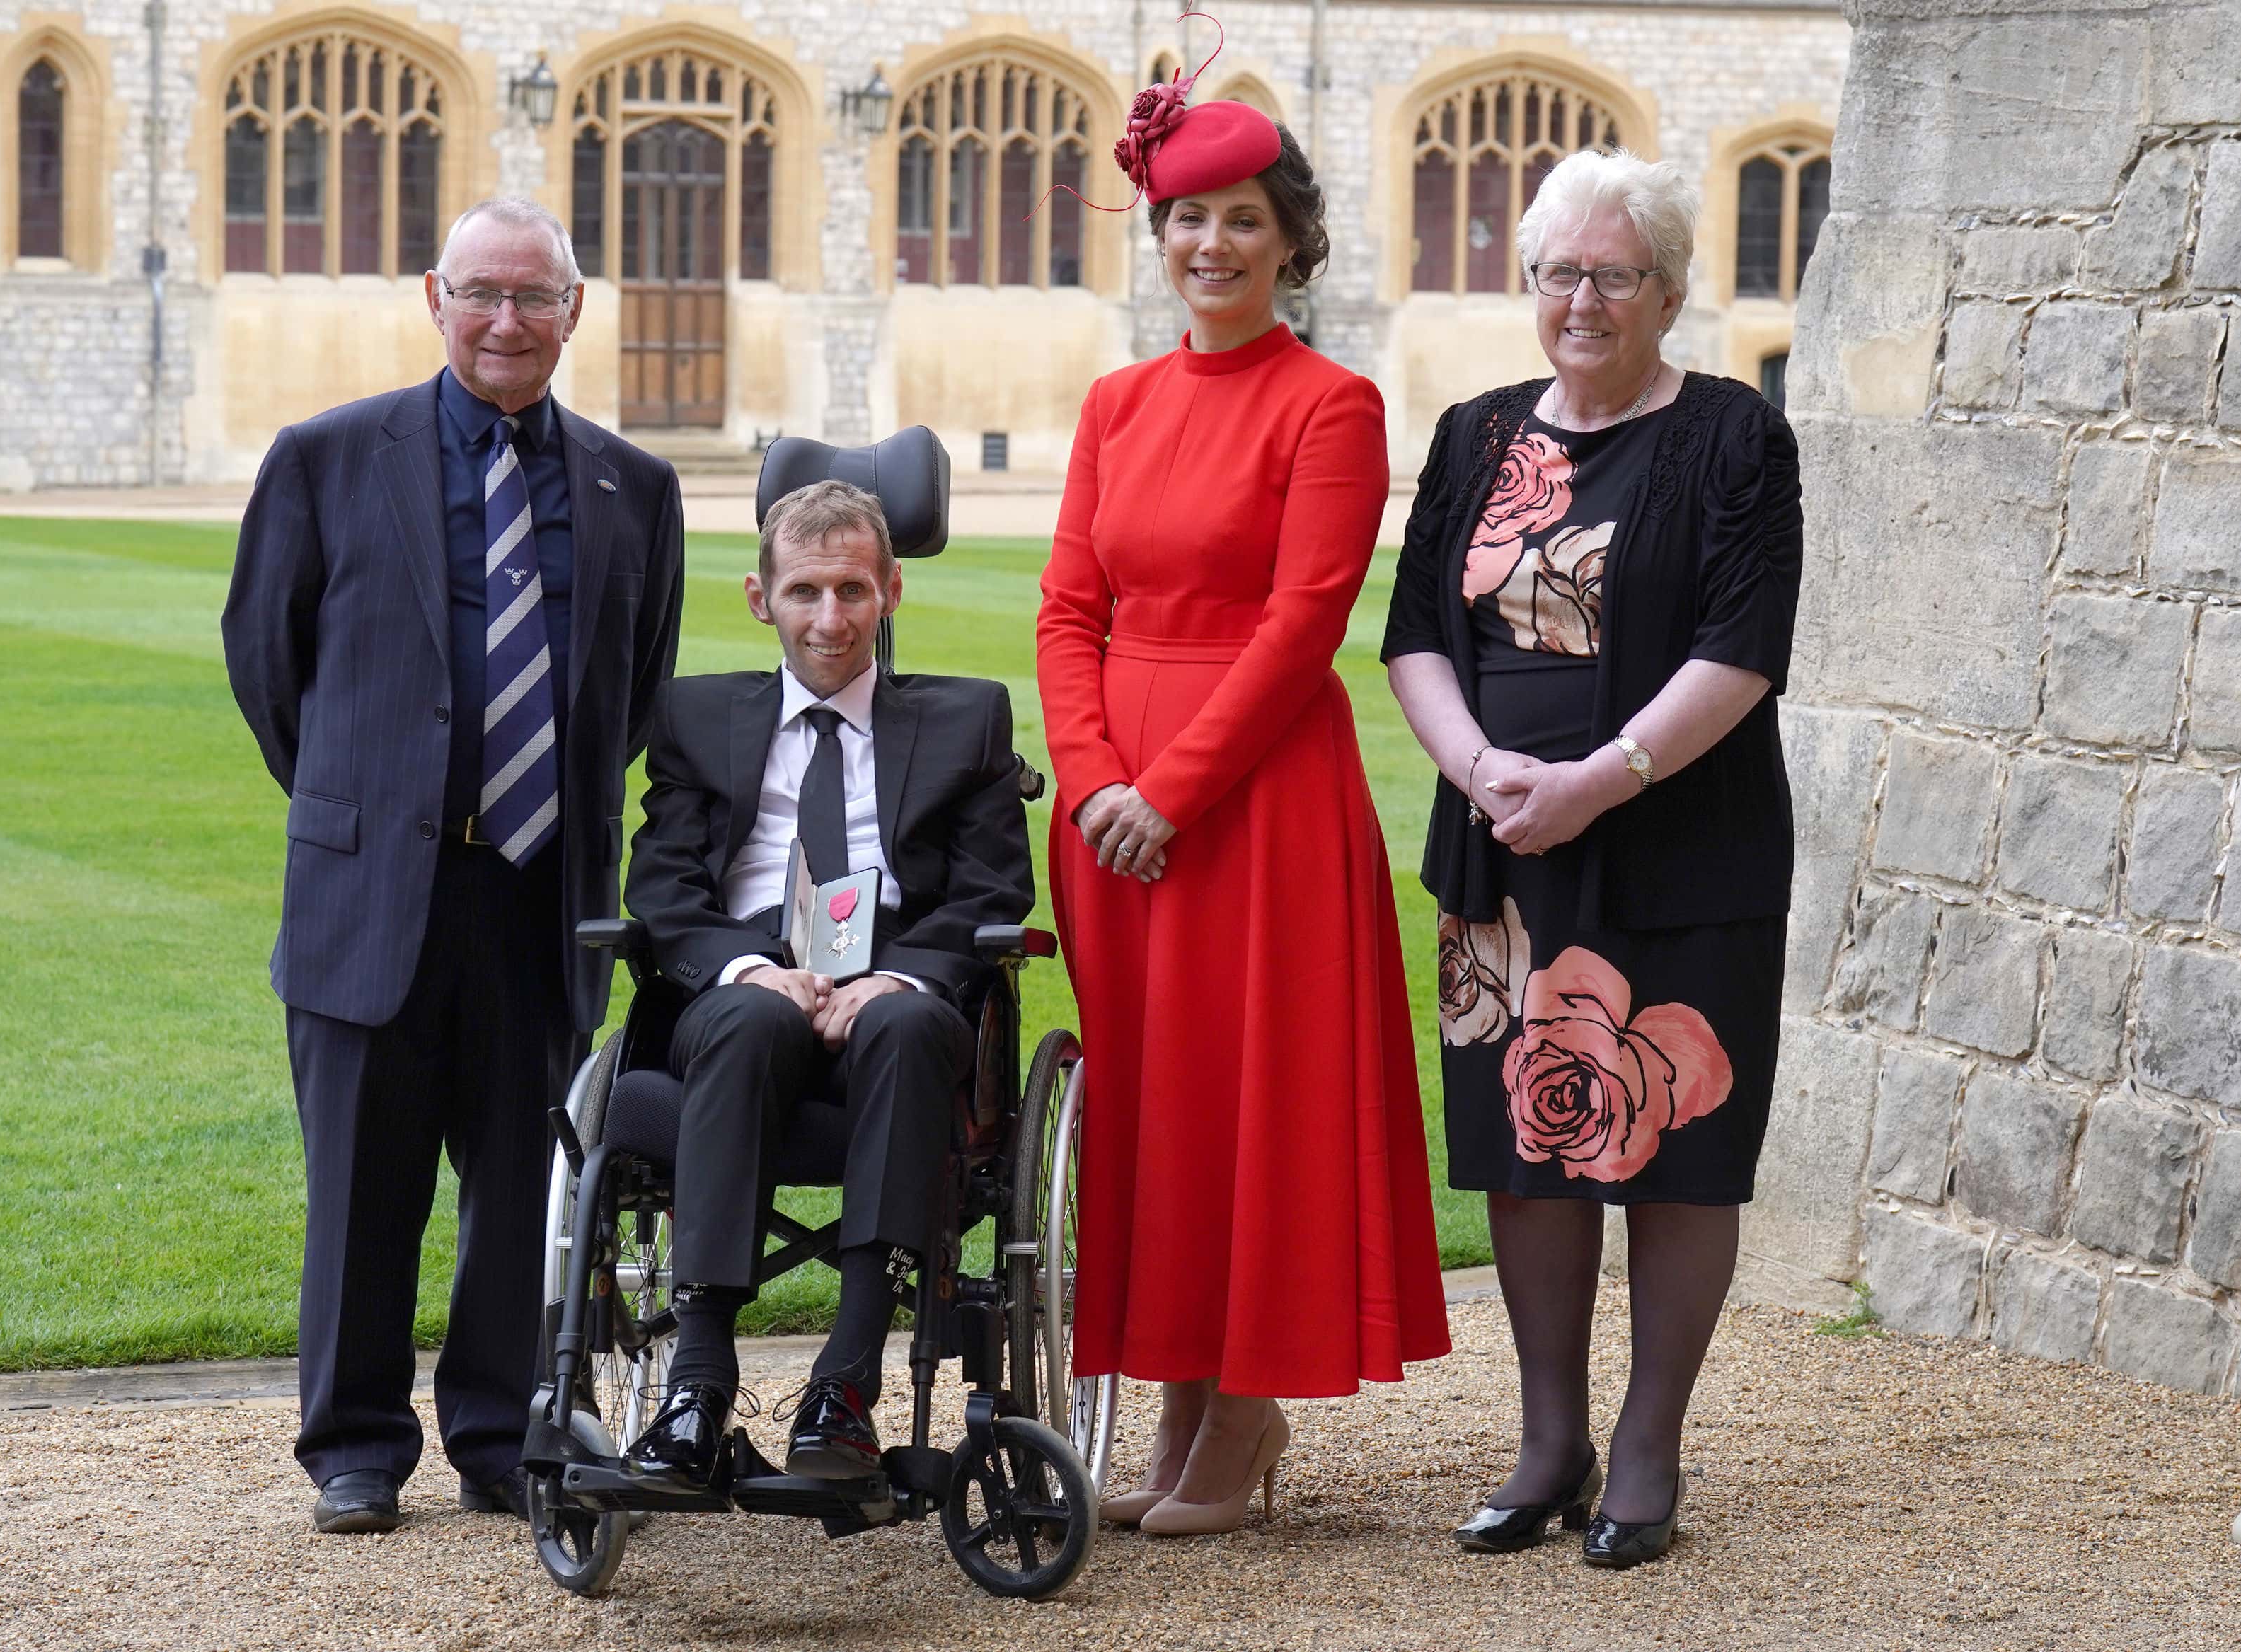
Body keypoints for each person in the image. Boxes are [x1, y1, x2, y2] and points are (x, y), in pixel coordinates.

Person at [1034, 43, 1451, 1538]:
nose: (1208, 245)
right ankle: (1173, 1389)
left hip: (1252, 799)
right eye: (1185, 219)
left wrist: (1173, 790)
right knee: (1149, 1109)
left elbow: (1302, 625)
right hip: (1111, 813)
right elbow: (1066, 608)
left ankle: (1246, 1400)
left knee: (1240, 1098)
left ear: (1290, 242)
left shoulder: (1328, 405)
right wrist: (1091, 783)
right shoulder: (1115, 404)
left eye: (1239, 221)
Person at [222, 197, 685, 1535]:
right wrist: (375, 807)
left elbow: (633, 690)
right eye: (482, 293)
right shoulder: (325, 457)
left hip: (542, 889)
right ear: (435, 296)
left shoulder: (631, 488)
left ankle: (500, 1432)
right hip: (375, 884)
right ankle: (356, 1445)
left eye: (534, 297)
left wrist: (535, 812)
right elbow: (272, 667)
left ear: (574, 311)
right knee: (362, 1183)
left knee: (521, 1181)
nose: (505, 322)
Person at [1381, 149, 1802, 1569]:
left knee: (1678, 1152)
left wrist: (1600, 777)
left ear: (1668, 290)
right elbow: (1416, 634)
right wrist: (1480, 767)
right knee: (1526, 1147)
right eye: (1559, 271)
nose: (1582, 298)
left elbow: (1741, 650)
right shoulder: (1474, 432)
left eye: (1613, 273)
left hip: (1686, 848)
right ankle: (1546, 1436)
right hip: (1504, 851)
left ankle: (1645, 1443)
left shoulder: (1737, 437)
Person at [618, 479, 1035, 1488]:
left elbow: (992, 892)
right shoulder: (697, 715)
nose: (830, 618)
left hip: (896, 989)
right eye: (805, 591)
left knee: (906, 1029)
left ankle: (844, 1384)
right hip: (738, 981)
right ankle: (698, 1385)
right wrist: (755, 968)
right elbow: (663, 889)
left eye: (853, 590)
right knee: (753, 1022)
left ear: (891, 591)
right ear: (762, 599)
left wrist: (896, 977)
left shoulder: (964, 719)